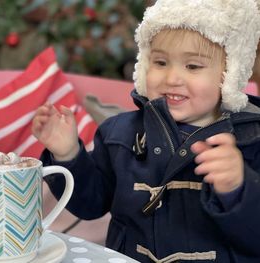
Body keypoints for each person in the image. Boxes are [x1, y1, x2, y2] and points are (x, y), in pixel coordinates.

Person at [32, 0, 260, 262]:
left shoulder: (251, 141)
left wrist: (238, 187)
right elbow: (90, 204)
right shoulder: (119, 134)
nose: (172, 78)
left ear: (229, 74)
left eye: (193, 66)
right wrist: (68, 154)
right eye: (161, 62)